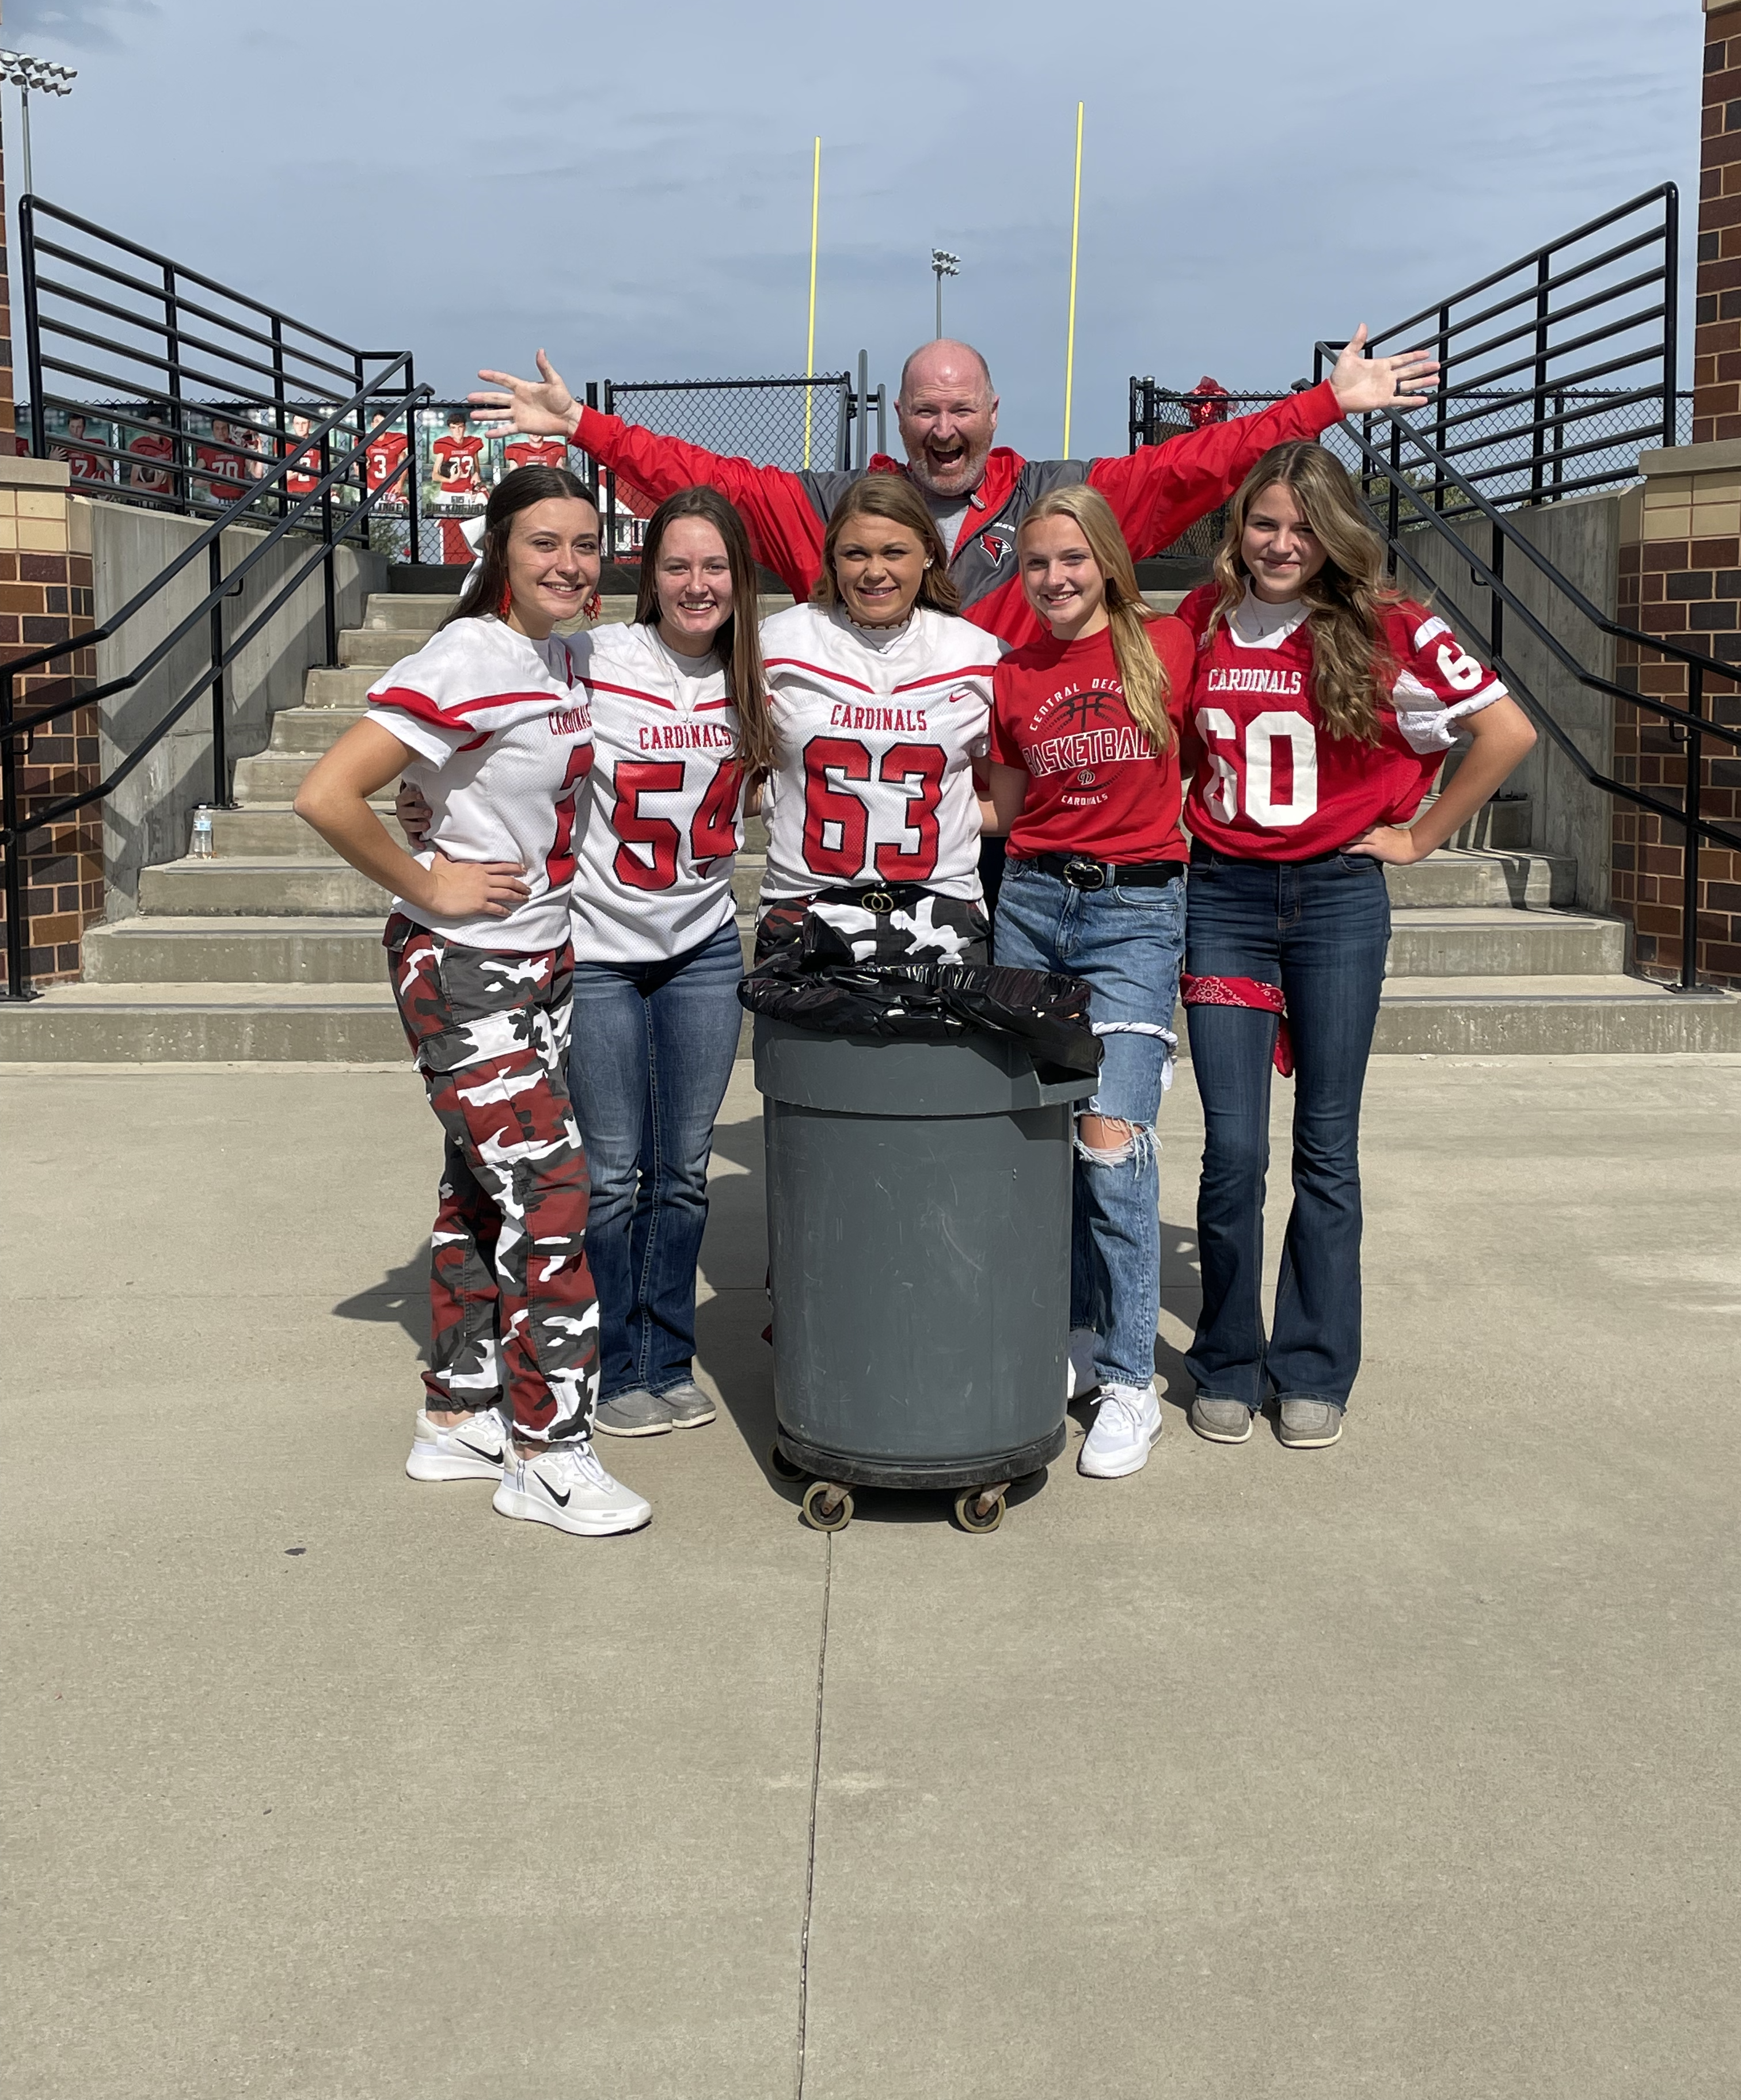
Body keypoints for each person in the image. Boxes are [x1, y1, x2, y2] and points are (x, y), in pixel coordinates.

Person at [294, 465, 652, 1539]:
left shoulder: (557, 657)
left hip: (537, 961)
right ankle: (548, 1454)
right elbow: (327, 792)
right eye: (544, 542)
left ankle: (457, 1413)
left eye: (586, 544)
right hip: (466, 967)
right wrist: (428, 880)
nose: (570, 563)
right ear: (496, 548)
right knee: (551, 1199)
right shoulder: (467, 657)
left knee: (481, 1192)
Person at [1177, 442, 1536, 1451]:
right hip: (1226, 900)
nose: (1280, 543)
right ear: (1236, 528)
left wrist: (1418, 837)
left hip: (1336, 898)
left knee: (1323, 1144)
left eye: (1301, 526)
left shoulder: (1388, 626)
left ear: (1333, 531)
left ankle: (1311, 1363)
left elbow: (1504, 732)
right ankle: (1225, 1356)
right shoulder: (1203, 622)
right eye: (1261, 523)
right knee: (1232, 1149)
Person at [471, 333, 1441, 650]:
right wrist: (584, 428)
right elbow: (705, 483)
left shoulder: (1068, 501)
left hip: (1027, 800)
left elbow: (1199, 465)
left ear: (990, 409)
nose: (943, 429)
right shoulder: (839, 511)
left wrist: (1317, 405)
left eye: (960, 410)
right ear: (897, 415)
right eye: (924, 411)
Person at [985, 485, 1193, 1481]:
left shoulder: (1169, 651)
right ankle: (1068, 1334)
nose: (1054, 579)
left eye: (1071, 559)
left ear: (1107, 560)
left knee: (1110, 1144)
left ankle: (1126, 1379)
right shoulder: (1013, 674)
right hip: (1031, 905)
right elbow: (1009, 811)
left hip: (1134, 916)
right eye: (1035, 565)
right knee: (1042, 1141)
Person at [561, 486, 778, 1436]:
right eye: (677, 565)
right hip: (600, 949)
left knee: (682, 1168)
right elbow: (472, 704)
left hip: (698, 949)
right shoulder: (598, 656)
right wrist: (422, 795)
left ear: (739, 577)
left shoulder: (755, 672)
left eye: (715, 566)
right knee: (612, 1170)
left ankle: (666, 1353)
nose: (698, 584)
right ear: (646, 576)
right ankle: (614, 1366)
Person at [754, 471, 1001, 964]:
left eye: (894, 552)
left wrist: (951, 820)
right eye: (855, 554)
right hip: (807, 910)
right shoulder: (776, 642)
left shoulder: (978, 653)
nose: (874, 572)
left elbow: (1009, 788)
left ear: (929, 553)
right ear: (832, 559)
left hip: (939, 914)